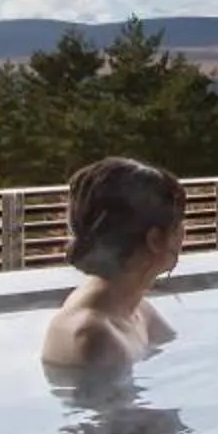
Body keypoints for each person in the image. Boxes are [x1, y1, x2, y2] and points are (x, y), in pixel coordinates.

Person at [40, 157, 185, 373]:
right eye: (179, 222)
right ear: (155, 240)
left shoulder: (137, 310)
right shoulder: (93, 337)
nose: (184, 232)